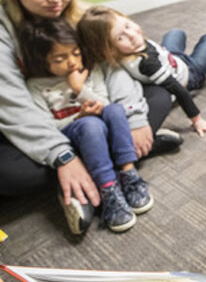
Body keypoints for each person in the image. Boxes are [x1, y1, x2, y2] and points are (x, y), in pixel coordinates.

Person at [0, 0, 177, 236]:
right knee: (10, 174)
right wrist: (62, 156)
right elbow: (12, 103)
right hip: (42, 119)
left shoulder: (80, 15)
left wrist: (132, 118)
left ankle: (98, 169)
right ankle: (118, 160)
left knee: (157, 96)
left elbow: (114, 65)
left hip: (94, 112)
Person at [21, 19, 152, 232]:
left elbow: (106, 105)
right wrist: (78, 118)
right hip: (73, 134)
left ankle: (129, 174)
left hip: (102, 127)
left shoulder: (89, 72)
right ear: (43, 61)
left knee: (116, 110)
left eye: (75, 53)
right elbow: (46, 126)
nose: (72, 62)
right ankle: (109, 189)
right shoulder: (35, 86)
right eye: (60, 58)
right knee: (90, 125)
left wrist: (79, 89)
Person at [77, 5, 206, 137]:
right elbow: (178, 90)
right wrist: (197, 120)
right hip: (189, 73)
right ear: (109, 50)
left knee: (176, 33)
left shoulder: (129, 48)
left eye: (127, 25)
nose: (132, 35)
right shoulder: (148, 65)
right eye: (120, 37)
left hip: (169, 56)